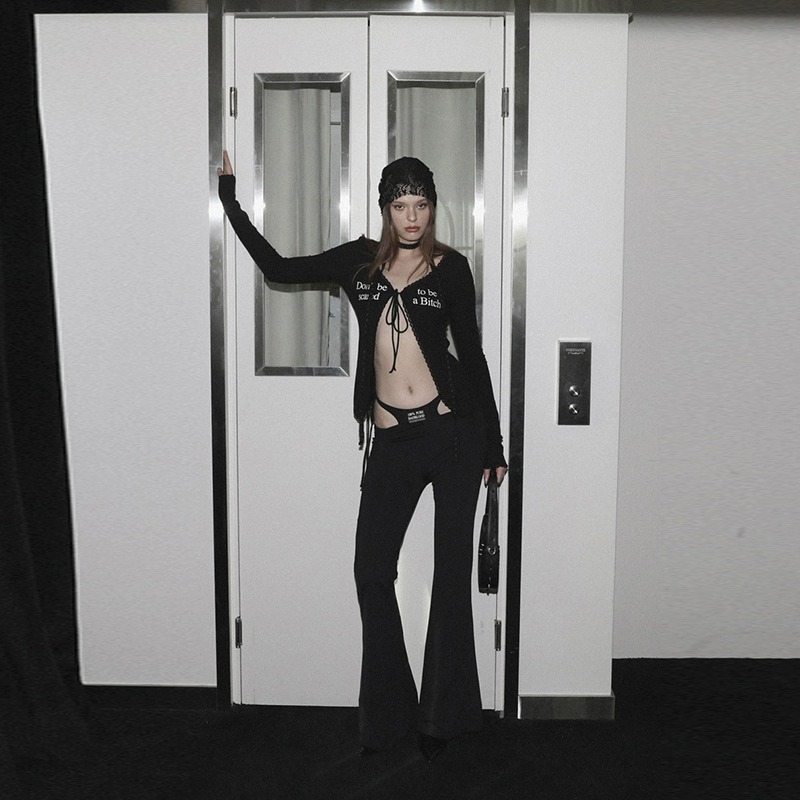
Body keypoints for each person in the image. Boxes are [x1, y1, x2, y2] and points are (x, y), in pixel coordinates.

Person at [217, 151, 507, 762]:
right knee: (372, 572)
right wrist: (230, 201)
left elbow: (473, 354)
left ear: (433, 208)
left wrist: (495, 444)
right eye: (400, 206)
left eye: (421, 205)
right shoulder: (359, 263)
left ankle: (441, 718)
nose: (411, 217)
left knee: (450, 575)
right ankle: (390, 715)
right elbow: (278, 267)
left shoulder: (451, 270)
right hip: (393, 441)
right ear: (384, 209)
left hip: (453, 436)